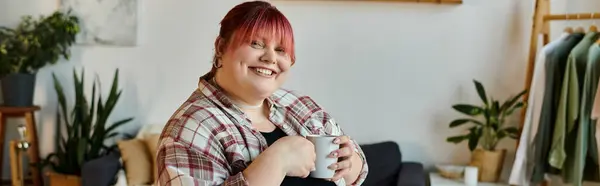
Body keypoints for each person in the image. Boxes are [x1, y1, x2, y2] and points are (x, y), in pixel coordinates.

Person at [155, 1, 369, 186]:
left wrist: (349, 164)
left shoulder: (300, 105)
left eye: (280, 50)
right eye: (256, 44)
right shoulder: (191, 127)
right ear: (221, 48)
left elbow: (357, 173)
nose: (270, 58)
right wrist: (278, 160)